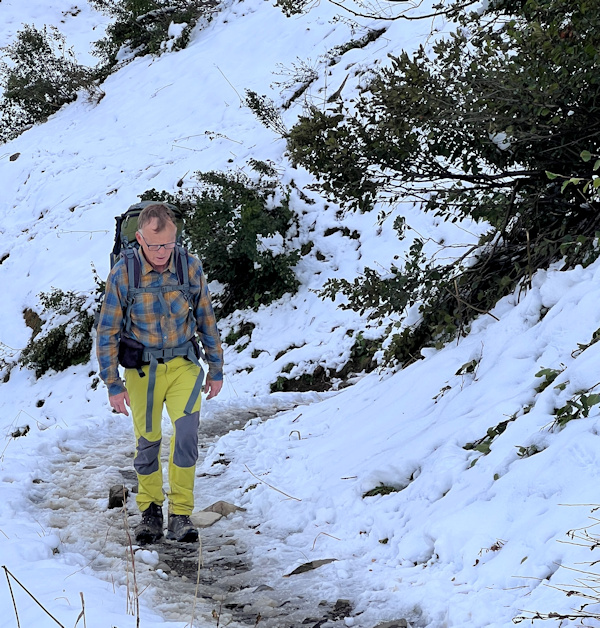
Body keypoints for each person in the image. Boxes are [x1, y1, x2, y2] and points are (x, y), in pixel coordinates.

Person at [96, 202, 223, 544]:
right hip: (143, 372)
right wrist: (113, 383)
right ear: (139, 239)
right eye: (154, 246)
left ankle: (180, 514)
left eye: (168, 244)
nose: (162, 252)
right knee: (148, 442)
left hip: (183, 366)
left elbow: (206, 318)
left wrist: (216, 368)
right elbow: (107, 330)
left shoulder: (188, 267)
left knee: (186, 436)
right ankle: (150, 511)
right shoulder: (124, 273)